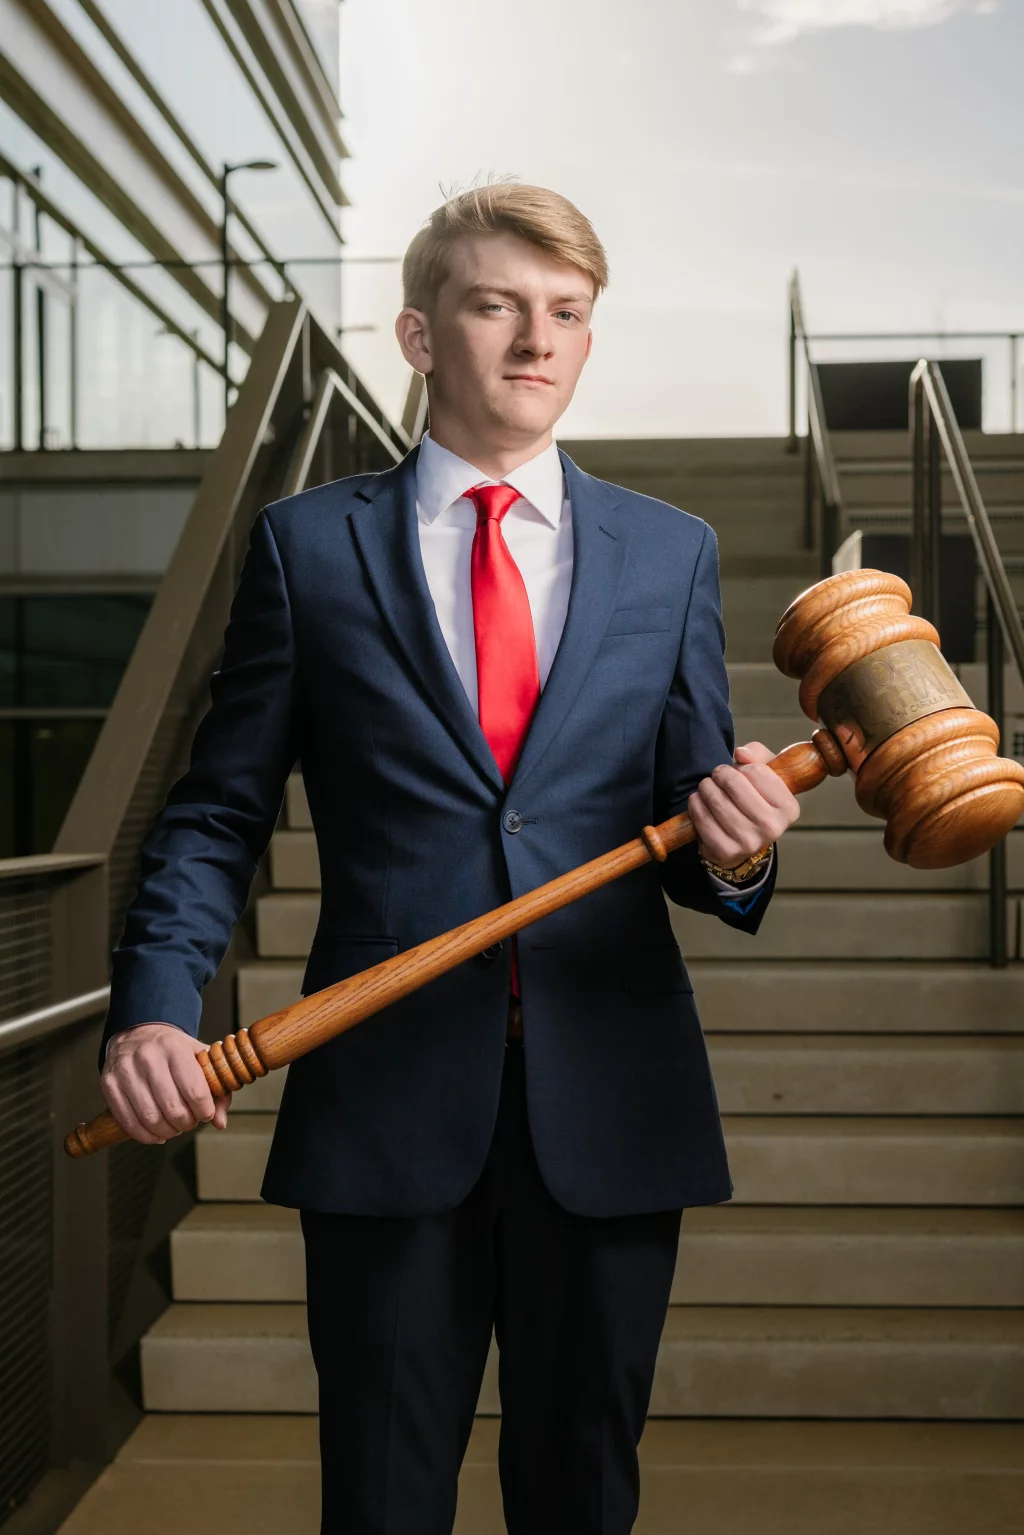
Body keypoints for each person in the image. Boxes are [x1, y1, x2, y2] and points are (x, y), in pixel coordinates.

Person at [98, 180, 800, 1534]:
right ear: (421, 336)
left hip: (612, 1100)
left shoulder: (673, 555)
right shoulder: (308, 548)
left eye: (567, 313)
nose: (537, 339)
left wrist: (733, 852)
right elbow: (216, 813)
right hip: (386, 1099)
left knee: (581, 1498)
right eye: (498, 305)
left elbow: (691, 818)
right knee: (381, 1503)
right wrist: (154, 1007)